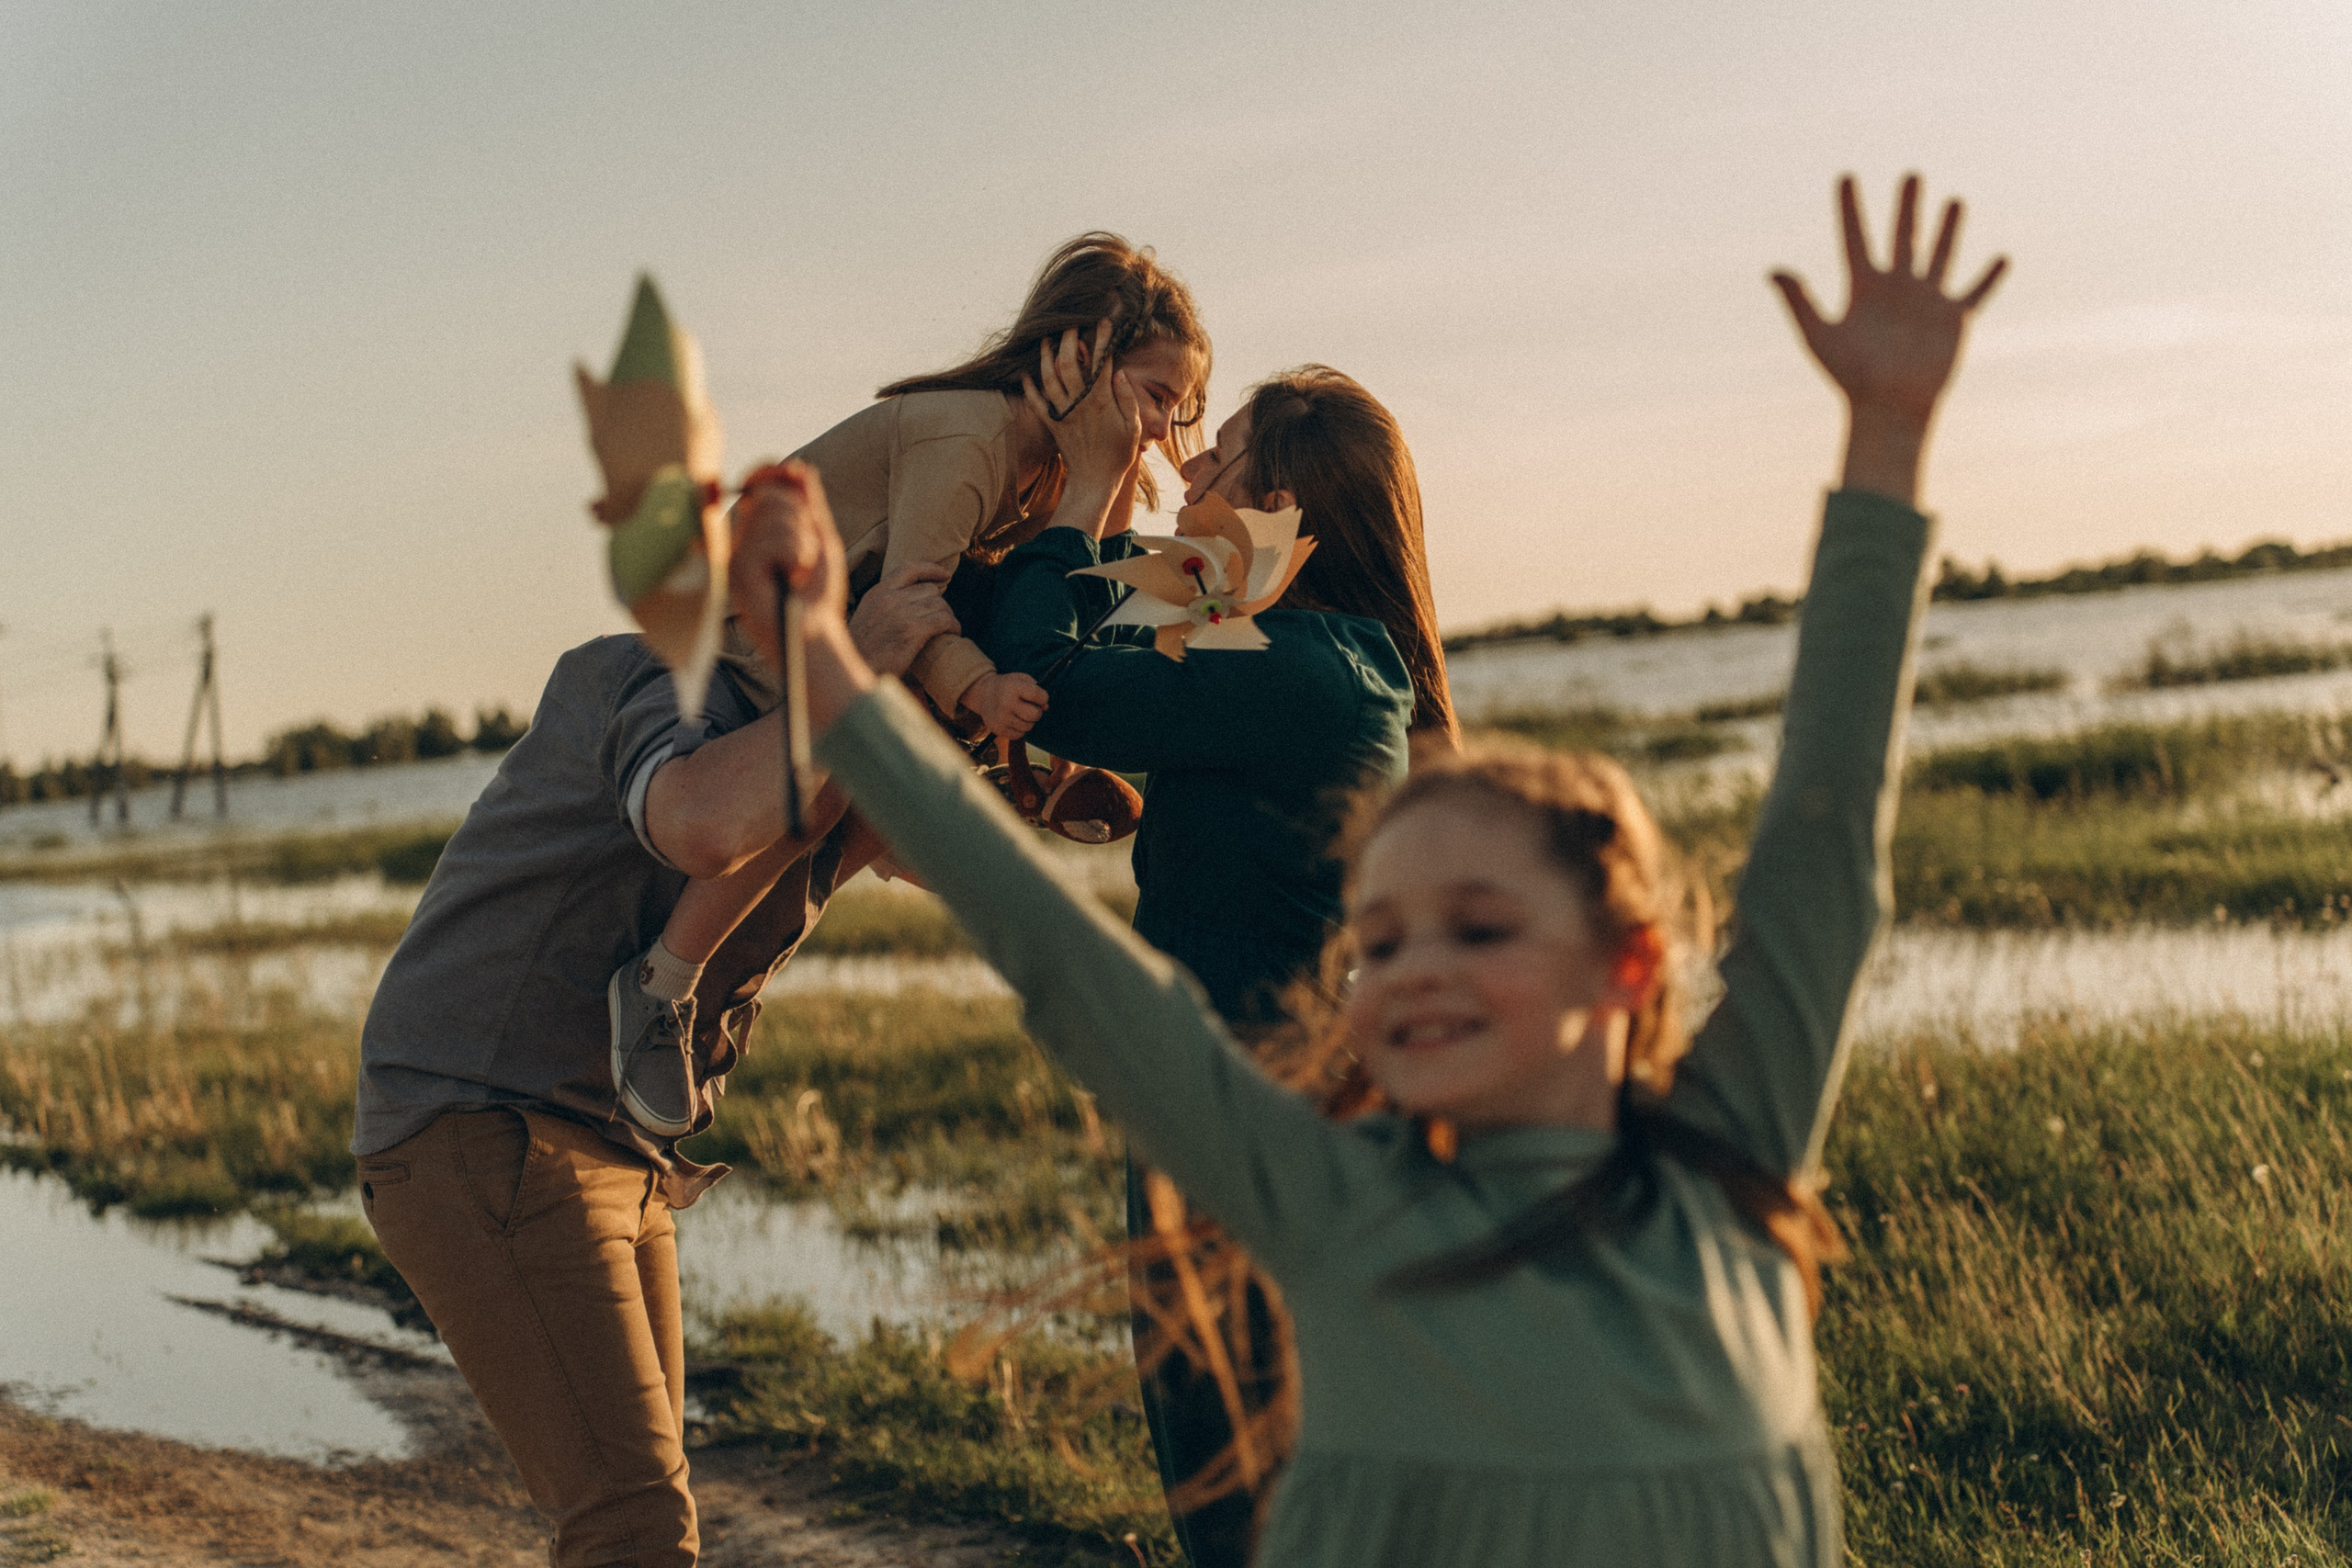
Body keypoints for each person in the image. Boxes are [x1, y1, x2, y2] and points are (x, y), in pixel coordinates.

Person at [750, 172, 2005, 1566]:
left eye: (1472, 926)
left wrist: (1889, 442)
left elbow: (1824, 856)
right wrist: (848, 648)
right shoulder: (1338, 1197)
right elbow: (1064, 942)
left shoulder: (1718, 1161)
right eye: (1388, 936)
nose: (1402, 969)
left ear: (1629, 959)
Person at [958, 344, 1455, 1555]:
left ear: (1280, 508)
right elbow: (1025, 605)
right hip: (1229, 1112)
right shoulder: (1277, 636)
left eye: (1215, 457)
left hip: (1256, 1130)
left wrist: (1083, 494)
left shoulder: (1304, 671)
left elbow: (1049, 673)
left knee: (1245, 1489)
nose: (1183, 479)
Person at [352, 574, 950, 1567]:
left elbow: (957, 852)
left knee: (640, 1522)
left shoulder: (824, 755)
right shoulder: (651, 683)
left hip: (608, 1143)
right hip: (492, 1123)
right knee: (632, 1530)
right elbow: (706, 825)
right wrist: (855, 677)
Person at [605, 232, 1211, 1142]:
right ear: (1083, 357)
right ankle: (663, 981)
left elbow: (1071, 601)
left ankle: (990, 797)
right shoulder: (966, 435)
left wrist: (1109, 484)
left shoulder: (1049, 467)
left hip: (855, 636)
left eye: (1178, 406)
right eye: (1153, 396)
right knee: (838, 787)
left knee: (914, 770)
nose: (1163, 427)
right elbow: (908, 612)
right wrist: (975, 696)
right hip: (753, 635)